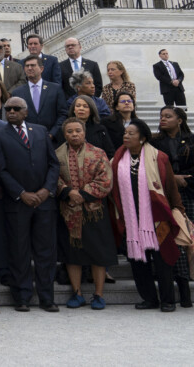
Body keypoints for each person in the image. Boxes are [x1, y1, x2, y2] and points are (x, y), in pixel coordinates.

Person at [109, 119, 184, 312]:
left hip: (156, 218)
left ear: (142, 138)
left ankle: (168, 300)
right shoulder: (117, 159)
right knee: (137, 261)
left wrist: (178, 209)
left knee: (162, 261)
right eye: (125, 133)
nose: (126, 136)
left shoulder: (159, 157)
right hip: (131, 219)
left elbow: (170, 187)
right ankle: (149, 299)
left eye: (131, 133)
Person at [0, 96, 60, 312]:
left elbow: (53, 164)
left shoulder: (40, 131)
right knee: (19, 251)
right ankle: (21, 297)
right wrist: (21, 193)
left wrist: (46, 190)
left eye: (16, 108)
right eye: (8, 109)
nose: (11, 112)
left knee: (45, 251)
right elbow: (0, 170)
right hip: (17, 203)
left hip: (43, 202)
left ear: (25, 111)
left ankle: (47, 297)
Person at [152, 106, 194, 308]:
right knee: (176, 239)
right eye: (161, 116)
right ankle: (184, 293)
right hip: (169, 196)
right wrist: (172, 179)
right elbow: (152, 167)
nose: (163, 119)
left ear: (179, 120)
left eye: (168, 116)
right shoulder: (155, 141)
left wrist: (186, 180)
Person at [55, 117, 116, 311]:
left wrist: (82, 194)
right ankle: (77, 292)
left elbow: (106, 179)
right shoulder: (56, 154)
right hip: (68, 210)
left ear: (84, 132)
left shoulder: (98, 153)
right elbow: (52, 177)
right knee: (73, 254)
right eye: (70, 131)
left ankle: (98, 294)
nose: (74, 134)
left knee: (98, 253)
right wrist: (67, 191)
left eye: (78, 131)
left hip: (94, 211)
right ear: (65, 134)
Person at [11, 55, 68, 140]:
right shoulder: (17, 92)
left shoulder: (55, 89)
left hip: (53, 140)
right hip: (28, 140)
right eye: (27, 66)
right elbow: (16, 117)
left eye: (33, 65)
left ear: (41, 69)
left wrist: (52, 134)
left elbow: (63, 114)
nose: (29, 68)